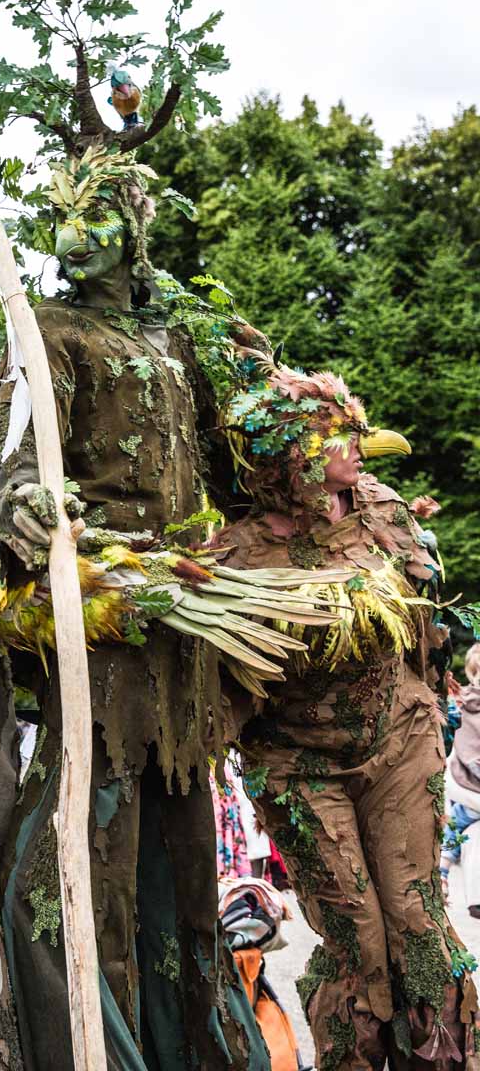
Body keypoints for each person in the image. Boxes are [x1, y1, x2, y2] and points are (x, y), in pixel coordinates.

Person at [0, 147, 269, 1071]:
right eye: (63, 212)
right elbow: (14, 446)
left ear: (138, 225)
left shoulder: (178, 339)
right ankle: (96, 1043)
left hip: (186, 624)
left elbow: (236, 455)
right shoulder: (44, 329)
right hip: (104, 616)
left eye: (100, 210)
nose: (78, 230)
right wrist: (21, 498)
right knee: (82, 845)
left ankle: (194, 1045)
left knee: (182, 858)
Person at [212, 363, 478, 1070]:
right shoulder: (236, 551)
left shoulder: (383, 508)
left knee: (419, 925)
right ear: (290, 454)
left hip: (400, 739)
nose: (356, 440)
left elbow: (427, 620)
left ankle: (443, 1061)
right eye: (336, 432)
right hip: (298, 763)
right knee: (356, 938)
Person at [441, 643, 480, 914]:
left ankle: (443, 868)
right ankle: (443, 867)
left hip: (464, 777)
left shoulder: (463, 700)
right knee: (463, 817)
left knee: (462, 820)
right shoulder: (465, 704)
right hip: (469, 778)